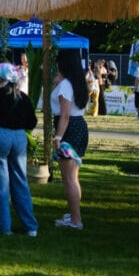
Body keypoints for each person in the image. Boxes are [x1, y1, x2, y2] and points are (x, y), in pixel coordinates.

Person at [0, 63, 39, 236]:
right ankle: (30, 226)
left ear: (0, 78)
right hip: (19, 138)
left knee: (0, 183)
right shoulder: (23, 97)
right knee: (20, 181)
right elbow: (32, 122)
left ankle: (4, 226)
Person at [53, 50, 90, 230]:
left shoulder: (66, 86)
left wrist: (58, 137)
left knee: (69, 178)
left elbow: (65, 115)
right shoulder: (77, 82)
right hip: (79, 126)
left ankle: (76, 220)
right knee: (73, 176)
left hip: (69, 129)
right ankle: (75, 215)